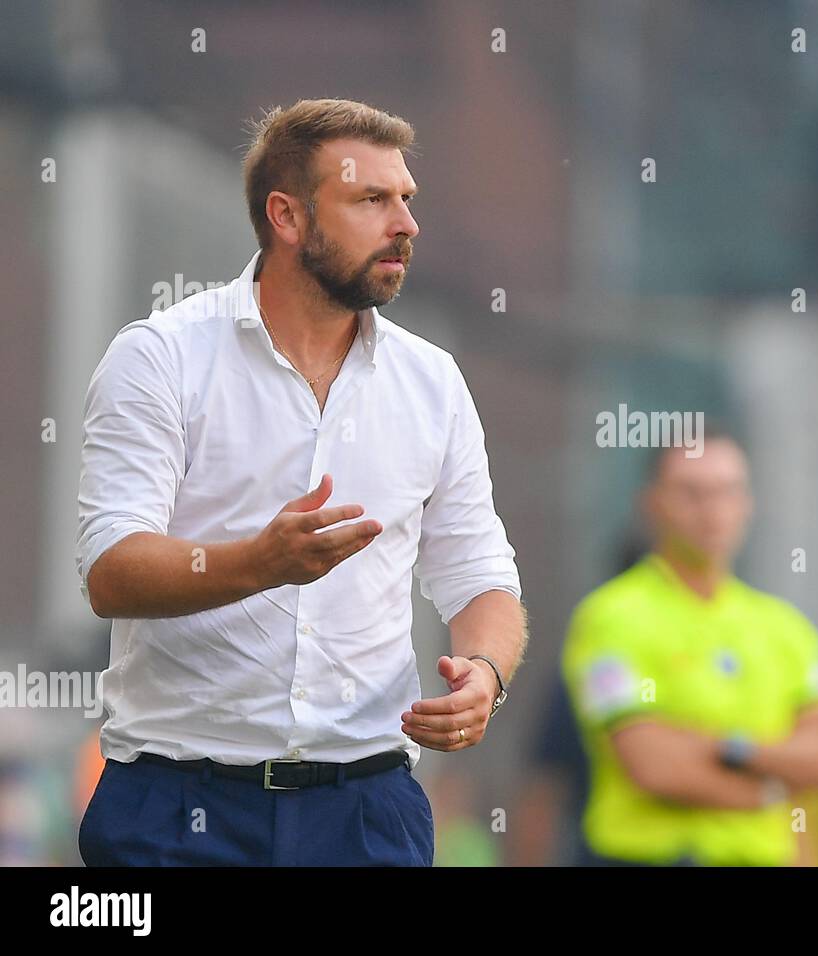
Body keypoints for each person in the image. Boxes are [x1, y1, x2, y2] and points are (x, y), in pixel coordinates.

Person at [75, 98, 527, 866]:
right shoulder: (161, 358)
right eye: (371, 200)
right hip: (178, 809)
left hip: (367, 814)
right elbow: (110, 570)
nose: (405, 225)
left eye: (406, 200)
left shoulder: (433, 381)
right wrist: (260, 563)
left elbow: (481, 575)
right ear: (286, 216)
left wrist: (484, 672)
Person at [561, 426, 818, 865]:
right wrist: (776, 784)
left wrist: (734, 749)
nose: (712, 511)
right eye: (691, 493)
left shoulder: (783, 628)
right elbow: (655, 766)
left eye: (728, 491)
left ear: (748, 504)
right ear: (652, 504)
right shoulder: (612, 616)